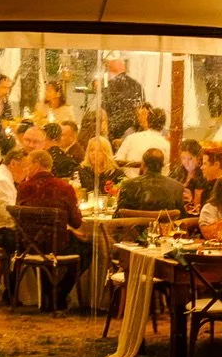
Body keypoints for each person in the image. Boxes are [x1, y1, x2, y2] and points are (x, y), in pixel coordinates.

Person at [13, 147, 91, 296]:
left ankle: (48, 292)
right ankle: (60, 292)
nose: (25, 169)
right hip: (56, 246)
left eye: (28, 165)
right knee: (88, 249)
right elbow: (76, 222)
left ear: (37, 165)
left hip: (27, 245)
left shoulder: (23, 188)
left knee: (51, 243)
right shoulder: (64, 187)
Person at [119, 148, 184, 213]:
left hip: (135, 220)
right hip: (165, 220)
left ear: (143, 164)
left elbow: (118, 215)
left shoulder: (127, 185)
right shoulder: (177, 187)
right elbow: (182, 217)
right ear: (162, 165)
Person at [99, 54, 146, 140]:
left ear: (111, 71)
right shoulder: (137, 86)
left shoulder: (109, 86)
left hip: (113, 132)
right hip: (132, 132)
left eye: (108, 70)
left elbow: (103, 111)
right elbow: (140, 111)